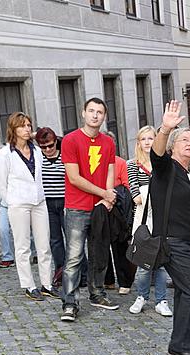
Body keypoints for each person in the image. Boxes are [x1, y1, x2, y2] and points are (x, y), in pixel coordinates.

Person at [152, 101, 190, 355]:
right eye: (184, 139)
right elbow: (156, 154)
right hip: (172, 243)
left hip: (187, 242)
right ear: (174, 146)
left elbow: (187, 210)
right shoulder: (166, 169)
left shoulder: (188, 174)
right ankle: (180, 343)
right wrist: (165, 128)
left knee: (184, 292)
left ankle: (184, 339)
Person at [59, 97, 119, 322]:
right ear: (83, 113)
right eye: (91, 111)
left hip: (101, 208)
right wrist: (104, 193)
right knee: (74, 257)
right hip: (77, 207)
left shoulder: (108, 142)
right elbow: (74, 178)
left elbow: (110, 170)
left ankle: (97, 293)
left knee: (99, 253)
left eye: (100, 112)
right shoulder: (70, 140)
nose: (95, 115)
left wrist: (109, 196)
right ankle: (70, 302)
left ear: (104, 116)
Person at [0, 112, 58, 300]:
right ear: (13, 129)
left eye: (29, 125)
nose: (27, 129)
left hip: (39, 202)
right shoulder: (5, 153)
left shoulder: (37, 150)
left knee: (44, 245)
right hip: (18, 205)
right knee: (22, 247)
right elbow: (0, 183)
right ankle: (29, 285)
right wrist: (12, 201)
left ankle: (46, 284)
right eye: (22, 126)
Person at [127, 126, 172, 316]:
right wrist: (148, 194)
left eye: (151, 138)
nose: (147, 142)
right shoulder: (133, 164)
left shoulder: (163, 164)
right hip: (143, 220)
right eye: (143, 139)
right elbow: (135, 193)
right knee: (144, 263)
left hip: (161, 220)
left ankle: (161, 300)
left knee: (160, 263)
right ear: (139, 142)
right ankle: (142, 296)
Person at [103, 133, 135, 295]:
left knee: (119, 245)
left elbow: (127, 187)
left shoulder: (120, 162)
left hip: (118, 210)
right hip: (100, 207)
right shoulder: (95, 163)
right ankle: (107, 280)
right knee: (101, 245)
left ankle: (124, 281)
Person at [35, 127, 67, 288]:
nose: (47, 149)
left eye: (50, 145)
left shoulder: (65, 155)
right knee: (55, 240)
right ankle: (60, 272)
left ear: (56, 143)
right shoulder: (37, 157)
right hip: (47, 203)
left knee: (73, 239)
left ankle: (81, 273)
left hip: (65, 201)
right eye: (43, 147)